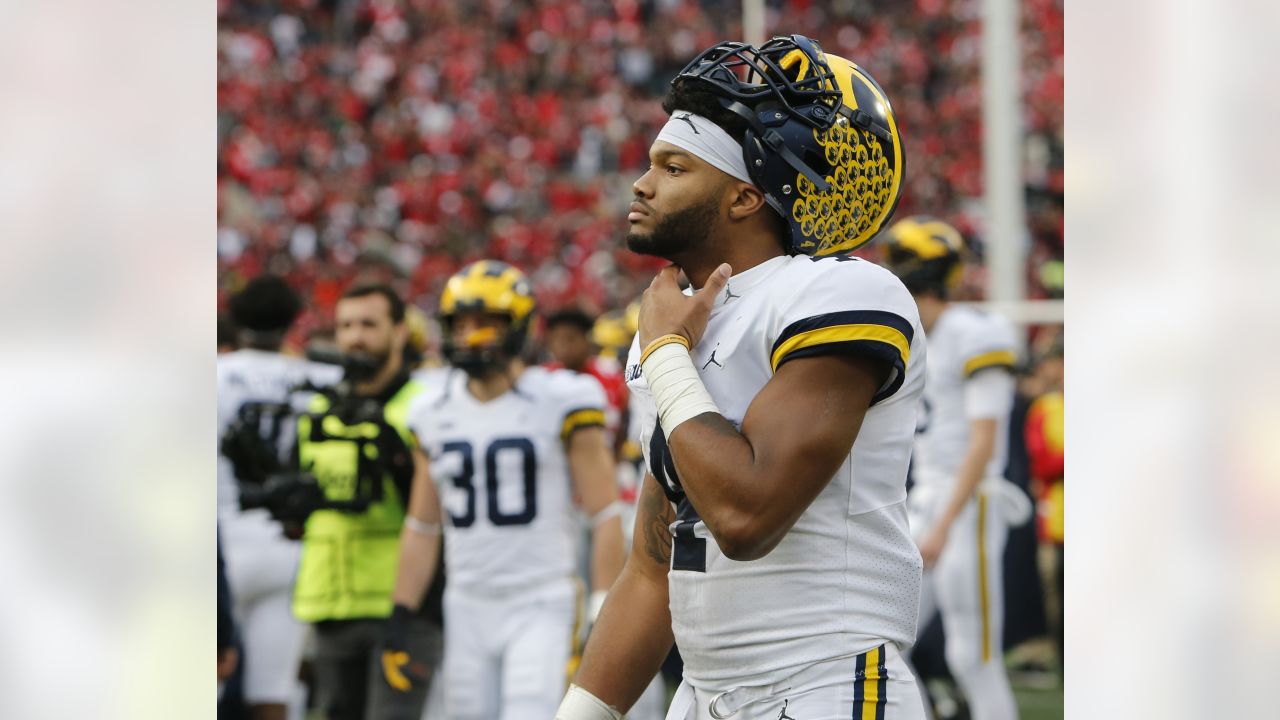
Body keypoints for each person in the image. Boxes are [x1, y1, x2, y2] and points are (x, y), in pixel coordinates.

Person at [558, 35, 928, 720]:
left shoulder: (839, 292)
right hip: (703, 693)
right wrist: (582, 712)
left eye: (673, 167)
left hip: (820, 681)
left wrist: (668, 352)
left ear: (743, 199)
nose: (641, 184)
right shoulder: (677, 320)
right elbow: (653, 561)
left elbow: (745, 517)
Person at [402, 260, 626, 719]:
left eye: (485, 322)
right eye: (460, 324)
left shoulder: (561, 398)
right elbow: (422, 526)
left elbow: (605, 513)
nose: (471, 335)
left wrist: (604, 600)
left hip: (540, 598)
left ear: (519, 327)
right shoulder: (432, 410)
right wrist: (401, 614)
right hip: (465, 600)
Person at [881, 216, 1023, 720]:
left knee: (973, 657)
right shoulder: (916, 336)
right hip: (928, 500)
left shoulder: (975, 332)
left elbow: (984, 443)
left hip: (970, 501)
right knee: (885, 644)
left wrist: (942, 523)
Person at [291, 283, 445, 720]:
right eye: (345, 326)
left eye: (368, 325)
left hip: (404, 607)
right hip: (331, 602)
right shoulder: (319, 409)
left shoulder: (427, 407)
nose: (354, 337)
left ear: (400, 332)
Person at [218, 275, 342, 720]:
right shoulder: (322, 378)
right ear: (293, 320)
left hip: (221, 541)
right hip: (287, 548)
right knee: (272, 693)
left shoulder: (213, 375)